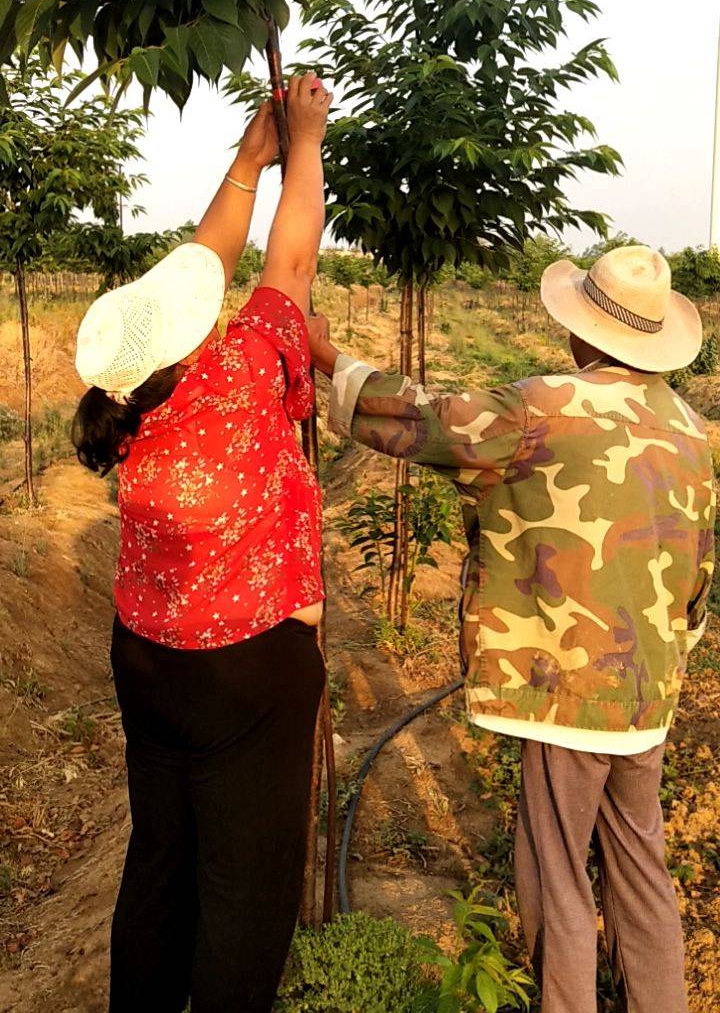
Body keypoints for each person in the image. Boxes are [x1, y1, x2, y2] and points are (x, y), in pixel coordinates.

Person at [307, 245, 716, 1013]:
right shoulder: (694, 430)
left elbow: (424, 421)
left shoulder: (541, 408)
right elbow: (698, 574)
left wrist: (330, 358)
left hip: (568, 687)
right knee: (641, 865)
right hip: (647, 692)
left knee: (558, 870)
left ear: (583, 333)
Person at [72, 73, 332, 1013]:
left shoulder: (122, 406)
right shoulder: (239, 372)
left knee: (162, 860)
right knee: (246, 889)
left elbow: (196, 273)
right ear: (189, 340)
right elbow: (290, 265)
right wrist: (304, 139)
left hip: (147, 658)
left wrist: (248, 160)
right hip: (249, 670)